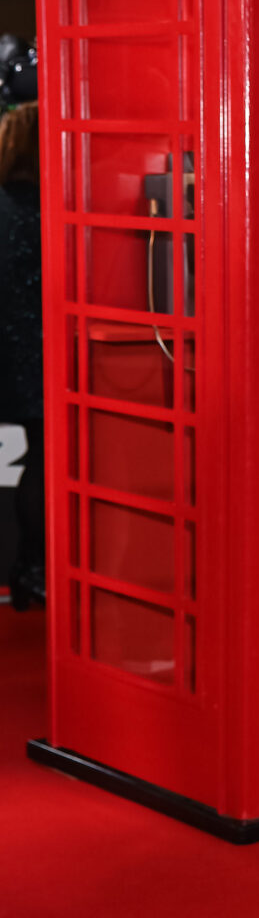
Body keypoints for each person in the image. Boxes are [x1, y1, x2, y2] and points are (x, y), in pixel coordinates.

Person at [0, 101, 45, 609]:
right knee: (42, 460)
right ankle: (31, 569)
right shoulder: (45, 208)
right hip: (36, 353)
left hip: (11, 348)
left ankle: (26, 570)